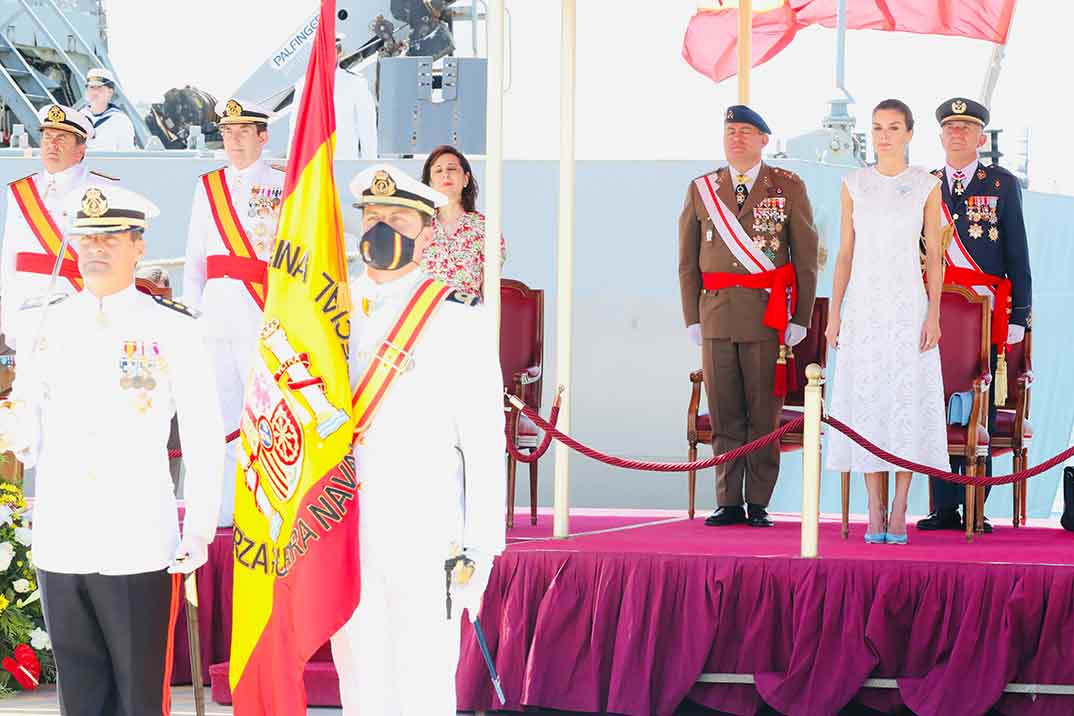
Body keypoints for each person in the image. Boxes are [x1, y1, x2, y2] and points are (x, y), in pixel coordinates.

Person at [0, 184, 223, 715]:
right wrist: (17, 429)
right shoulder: (47, 324)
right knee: (79, 694)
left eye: (111, 237)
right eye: (86, 237)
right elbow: (29, 420)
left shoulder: (171, 327)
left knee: (138, 694)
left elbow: (203, 432)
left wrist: (198, 526)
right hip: (63, 533)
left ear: (138, 246)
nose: (95, 248)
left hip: (136, 537)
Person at [330, 164, 505, 715]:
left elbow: (482, 440)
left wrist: (483, 545)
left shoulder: (456, 317)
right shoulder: (328, 310)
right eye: (373, 216)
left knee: (424, 677)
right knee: (358, 672)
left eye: (399, 217)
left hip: (426, 526)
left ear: (427, 232)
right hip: (346, 521)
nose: (383, 227)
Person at [678, 105, 819, 528]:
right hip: (717, 314)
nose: (736, 138)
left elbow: (806, 259)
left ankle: (757, 501)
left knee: (762, 413)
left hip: (767, 315)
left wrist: (802, 317)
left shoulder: (787, 187)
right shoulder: (702, 189)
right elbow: (687, 262)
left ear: (764, 140)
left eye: (746, 132)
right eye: (730, 131)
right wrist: (692, 316)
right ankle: (728, 501)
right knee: (724, 413)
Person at [825, 99, 949, 544]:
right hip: (863, 307)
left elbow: (934, 255)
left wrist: (933, 311)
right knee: (867, 402)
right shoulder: (853, 183)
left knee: (904, 402)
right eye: (877, 127)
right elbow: (844, 254)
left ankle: (899, 510)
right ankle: (873, 508)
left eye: (894, 127)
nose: (884, 135)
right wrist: (835, 312)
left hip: (906, 307)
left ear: (910, 133)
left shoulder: (925, 185)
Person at [917, 97, 1032, 534]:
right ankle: (943, 508)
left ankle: (973, 506)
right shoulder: (925, 184)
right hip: (935, 313)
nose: (958, 134)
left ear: (981, 137)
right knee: (935, 403)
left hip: (984, 312)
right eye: (950, 128)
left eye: (966, 128)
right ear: (941, 136)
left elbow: (1017, 256)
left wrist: (1019, 315)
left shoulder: (1001, 184)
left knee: (977, 403)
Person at [181, 97, 284, 527]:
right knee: (218, 414)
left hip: (262, 313)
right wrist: (192, 319)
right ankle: (223, 506)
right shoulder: (209, 186)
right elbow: (194, 261)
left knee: (262, 410)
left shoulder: (284, 185)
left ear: (263, 137)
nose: (235, 140)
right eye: (227, 132)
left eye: (244, 132)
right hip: (217, 314)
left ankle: (264, 504)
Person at [0, 104, 114, 349]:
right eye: (47, 137)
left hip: (78, 307)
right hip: (27, 310)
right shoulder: (20, 191)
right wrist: (8, 319)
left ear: (80, 150)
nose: (52, 144)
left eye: (62, 138)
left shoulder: (102, 190)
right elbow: (8, 260)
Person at [421, 144, 506, 296]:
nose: (445, 175)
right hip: (426, 314)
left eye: (452, 169)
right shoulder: (418, 225)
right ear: (430, 184)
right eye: (438, 170)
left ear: (465, 179)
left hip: (469, 314)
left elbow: (490, 290)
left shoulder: (486, 227)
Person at [290, 34, 377, 159]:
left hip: (344, 162)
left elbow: (367, 129)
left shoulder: (356, 83)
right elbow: (295, 130)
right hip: (314, 163)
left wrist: (370, 164)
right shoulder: (303, 85)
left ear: (340, 52)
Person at [81, 68, 136, 151]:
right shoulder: (79, 117)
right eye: (91, 87)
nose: (95, 92)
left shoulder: (121, 121)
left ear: (110, 92)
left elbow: (127, 156)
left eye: (99, 88)